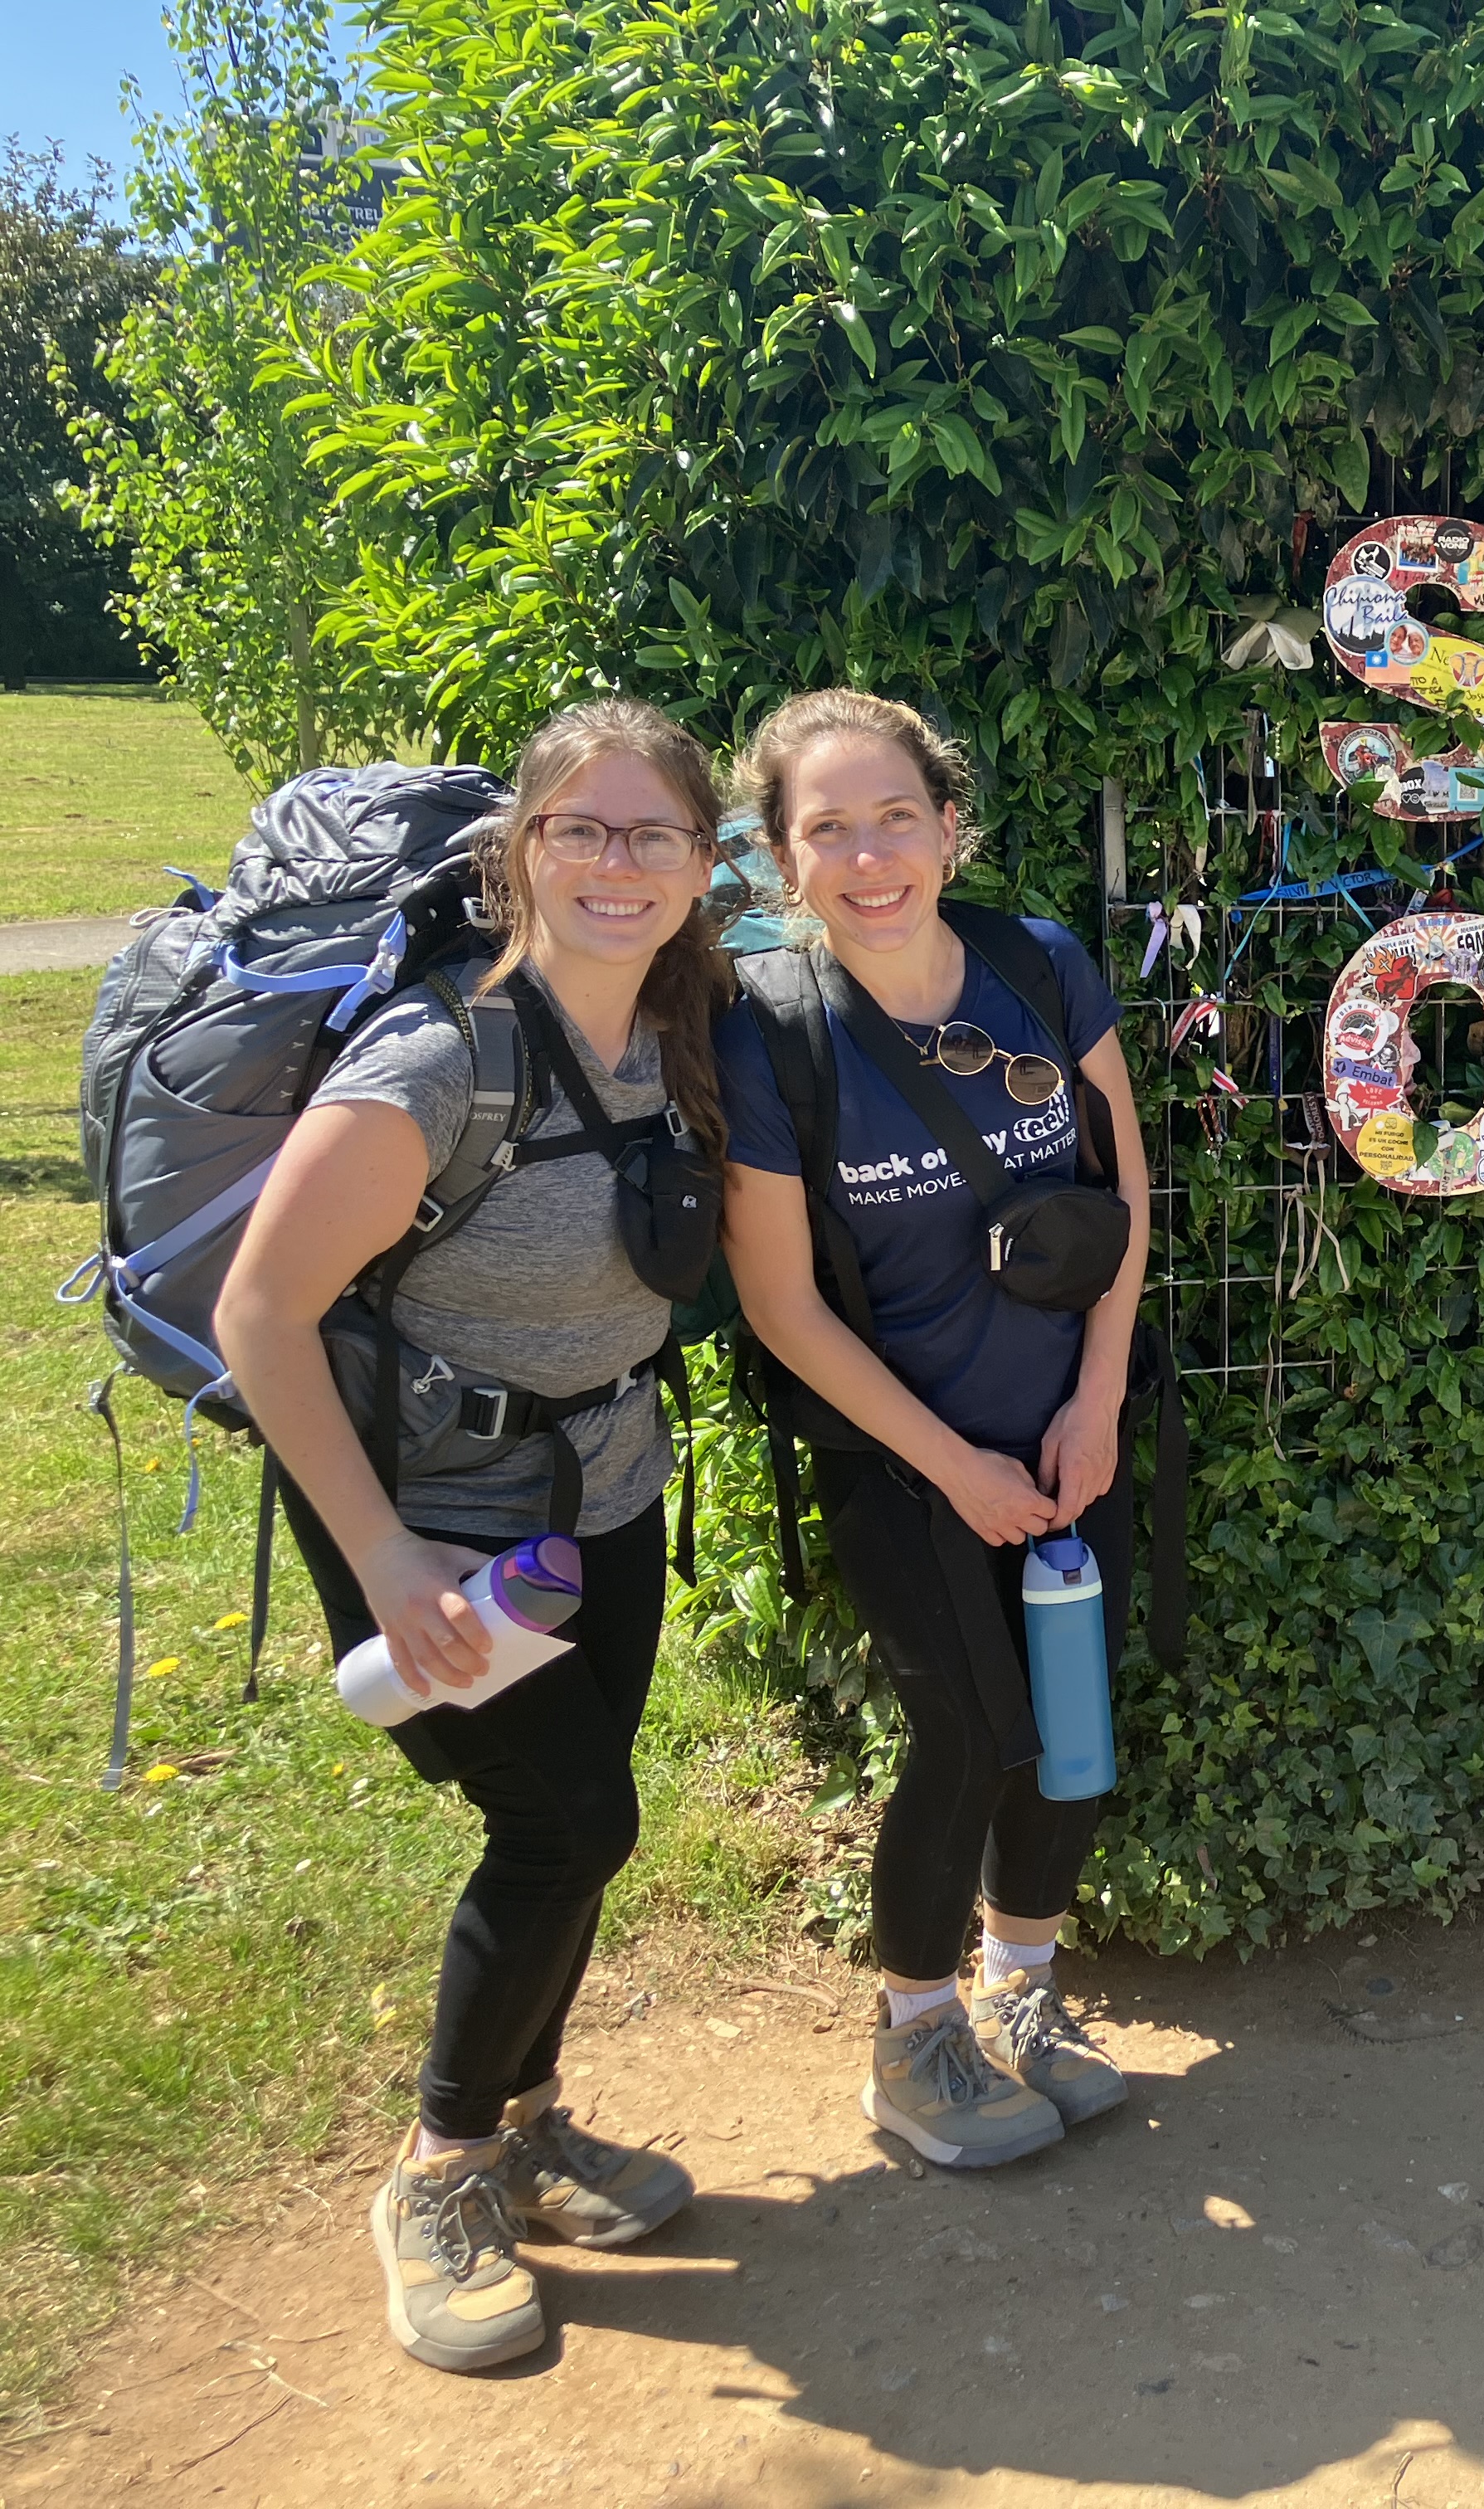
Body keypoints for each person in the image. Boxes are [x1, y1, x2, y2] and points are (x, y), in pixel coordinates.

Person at [217, 699, 727, 2372]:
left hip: (609, 1493)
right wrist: (380, 1559)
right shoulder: (437, 1064)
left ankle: (525, 2126)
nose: (617, 861)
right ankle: (437, 2177)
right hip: (442, 1525)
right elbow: (263, 1316)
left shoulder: (677, 1037)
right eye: (582, 826)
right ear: (520, 850)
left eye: (655, 832)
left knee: (586, 1828)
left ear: (703, 865)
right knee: (564, 1823)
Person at [716, 689, 1153, 2170]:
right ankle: (914, 2041)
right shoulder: (771, 1034)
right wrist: (948, 1465)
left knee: (1072, 1745)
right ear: (783, 862)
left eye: (896, 814)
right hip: (905, 1464)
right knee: (964, 1741)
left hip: (1069, 1440)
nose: (869, 853)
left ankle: (1021, 1997)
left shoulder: (1040, 967)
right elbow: (782, 1307)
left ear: (950, 827)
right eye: (826, 828)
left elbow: (1124, 1200)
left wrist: (1094, 1404)